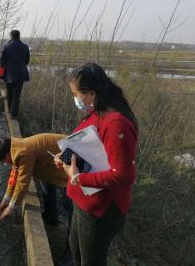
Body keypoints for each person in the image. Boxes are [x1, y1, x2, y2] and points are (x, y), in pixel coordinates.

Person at [54, 63, 138, 266]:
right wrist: (66, 157)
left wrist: (77, 177)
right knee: (76, 249)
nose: (75, 99)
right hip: (83, 200)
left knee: (90, 261)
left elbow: (123, 174)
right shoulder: (97, 112)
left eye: (76, 94)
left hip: (101, 208)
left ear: (91, 93)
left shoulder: (116, 123)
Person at [0, 133, 73, 227]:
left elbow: (22, 182)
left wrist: (11, 207)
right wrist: (6, 200)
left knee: (69, 204)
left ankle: (72, 239)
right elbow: (14, 176)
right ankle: (50, 218)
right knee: (47, 188)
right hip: (49, 164)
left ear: (7, 155)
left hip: (70, 159)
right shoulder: (15, 148)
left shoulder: (23, 153)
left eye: (4, 161)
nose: (6, 164)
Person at [0, 30, 30, 119]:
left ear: (11, 36)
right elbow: (27, 61)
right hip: (21, 74)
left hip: (8, 74)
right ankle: (14, 114)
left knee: (9, 93)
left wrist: (1, 74)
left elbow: (2, 63)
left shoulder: (6, 47)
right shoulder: (25, 47)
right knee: (17, 95)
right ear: (19, 36)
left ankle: (9, 110)